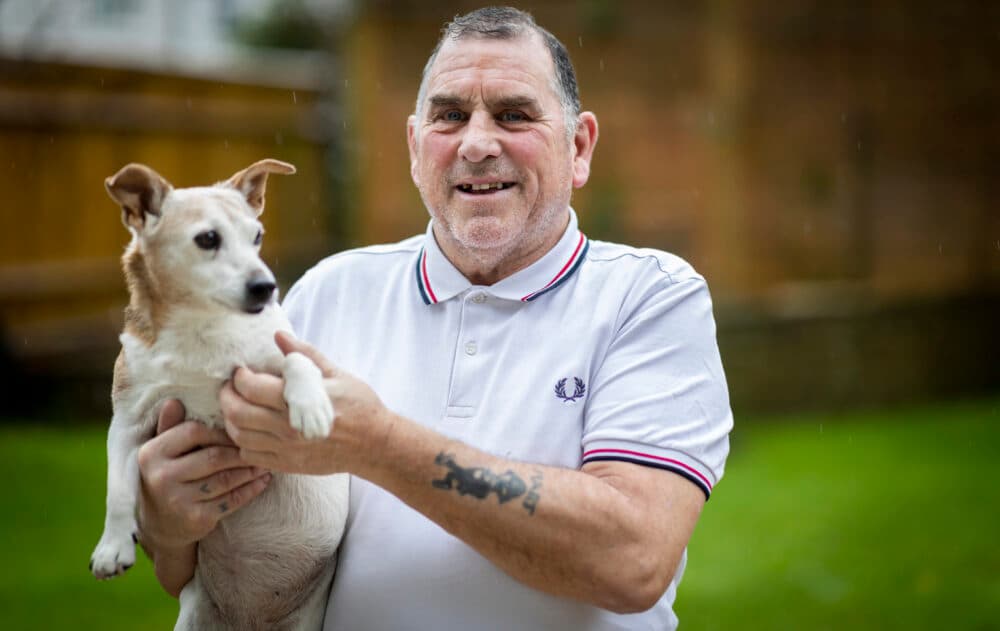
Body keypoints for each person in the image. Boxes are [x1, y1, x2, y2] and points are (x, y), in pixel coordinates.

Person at [136, 6, 733, 630]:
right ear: (416, 147)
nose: (477, 143)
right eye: (450, 116)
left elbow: (632, 561)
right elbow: (190, 567)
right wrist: (171, 521)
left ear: (578, 147)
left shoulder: (651, 297)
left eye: (513, 115)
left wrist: (376, 443)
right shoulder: (328, 294)